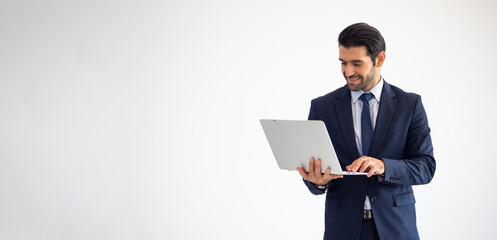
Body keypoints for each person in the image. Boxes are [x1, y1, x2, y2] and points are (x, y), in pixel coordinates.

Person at [296, 23, 436, 240]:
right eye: (343, 63)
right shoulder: (322, 107)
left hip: (396, 228)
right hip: (343, 229)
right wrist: (317, 181)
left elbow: (426, 167)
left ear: (379, 59)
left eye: (356, 63)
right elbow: (314, 175)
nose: (348, 72)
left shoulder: (410, 105)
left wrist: (382, 166)